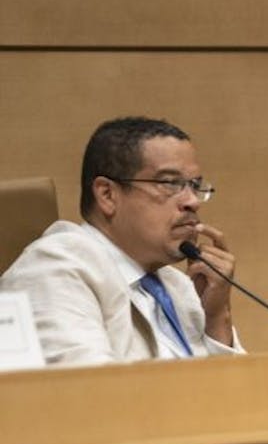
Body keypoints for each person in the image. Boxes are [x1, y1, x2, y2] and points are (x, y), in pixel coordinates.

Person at [0, 116, 241, 367]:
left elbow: (241, 396)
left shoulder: (179, 286)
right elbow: (88, 392)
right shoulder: (56, 269)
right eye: (169, 183)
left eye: (195, 185)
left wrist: (217, 317)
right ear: (107, 195)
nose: (193, 201)